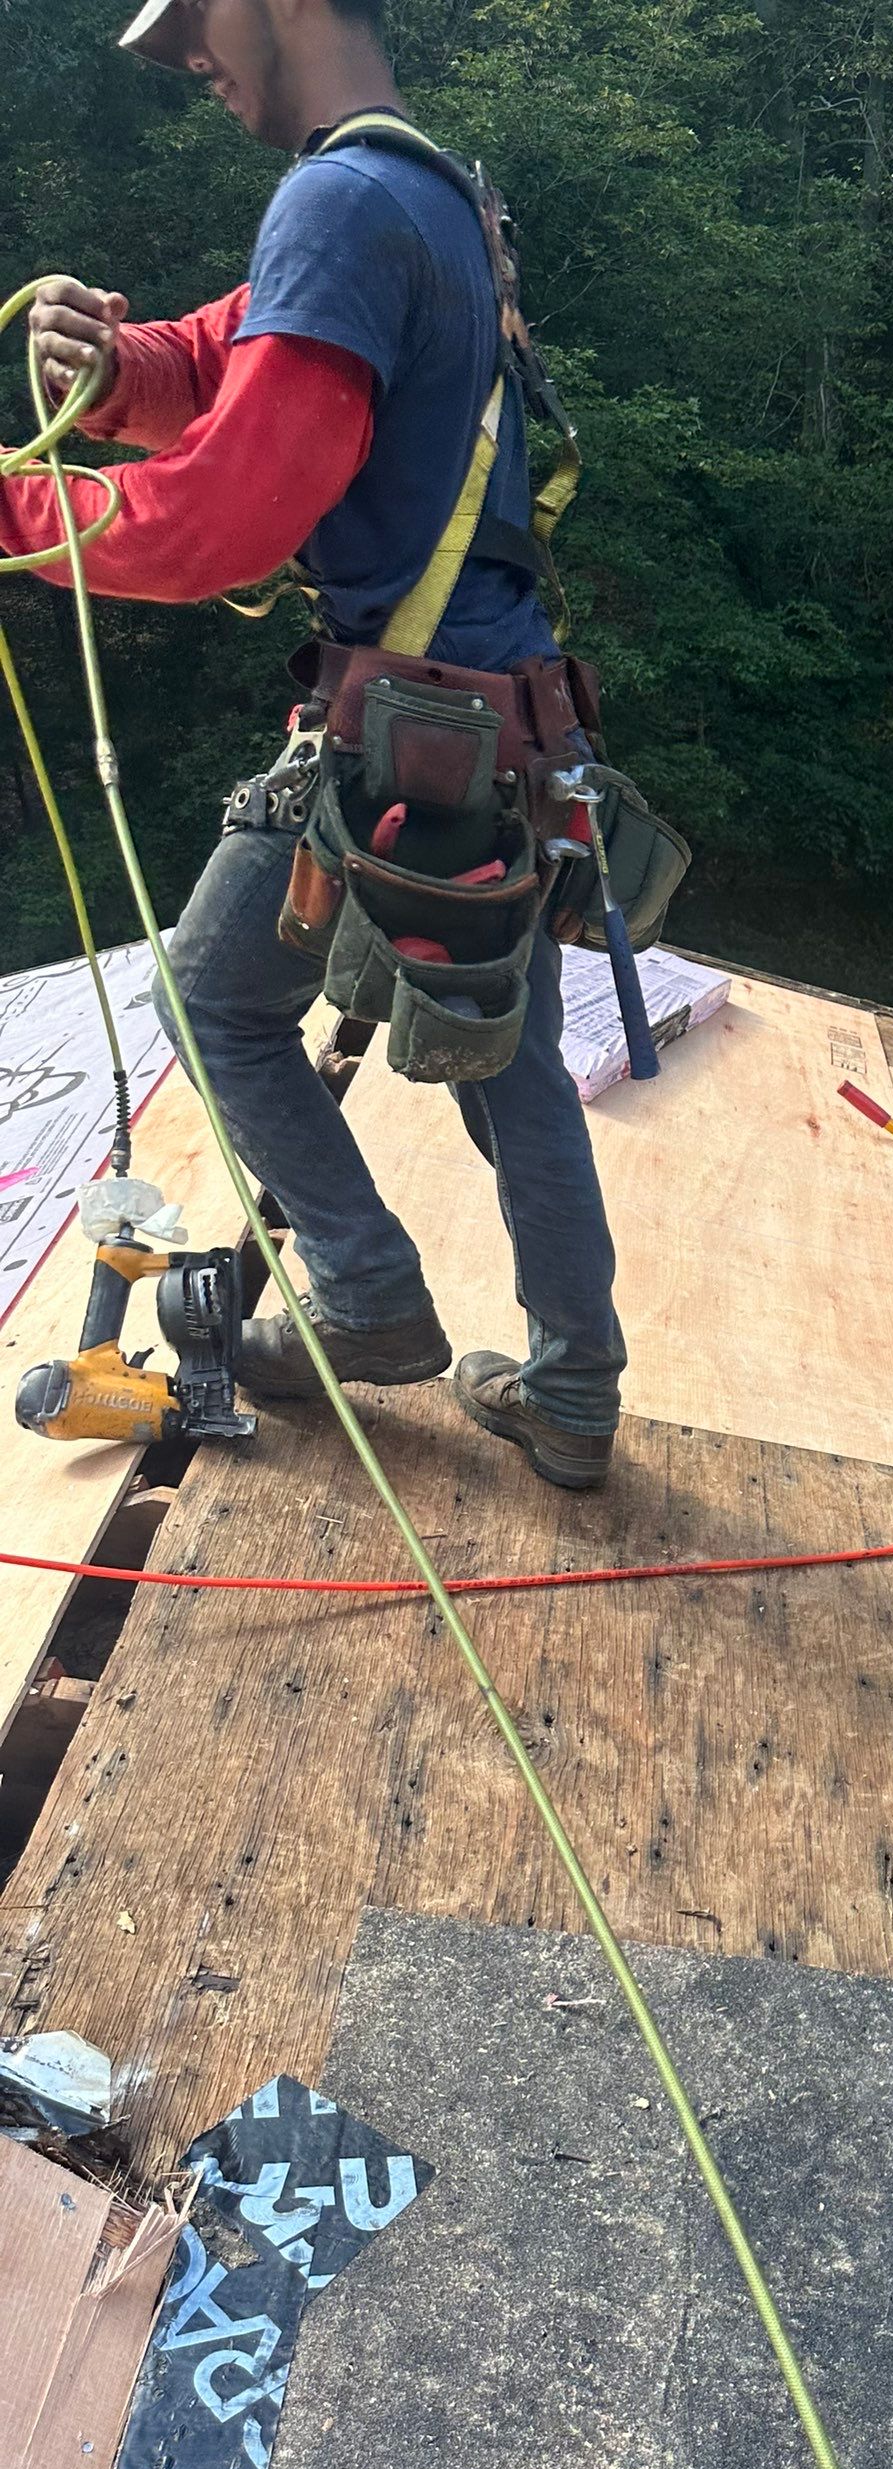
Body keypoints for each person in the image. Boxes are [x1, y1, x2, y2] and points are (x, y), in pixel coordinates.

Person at [0, 0, 627, 1491]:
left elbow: (233, 512)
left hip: (395, 733)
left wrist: (12, 517)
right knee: (513, 1060)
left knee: (213, 997)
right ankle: (575, 1391)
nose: (190, 64)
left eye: (196, 26)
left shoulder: (339, 199)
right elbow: (230, 358)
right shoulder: (435, 197)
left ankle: (364, 1294)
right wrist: (115, 363)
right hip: (512, 727)